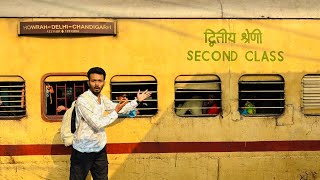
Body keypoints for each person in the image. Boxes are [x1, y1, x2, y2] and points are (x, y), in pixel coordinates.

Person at [70, 67, 151, 180]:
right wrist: (116, 112)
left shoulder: (102, 99)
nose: (97, 84)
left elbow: (120, 108)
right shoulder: (83, 100)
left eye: (100, 81)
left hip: (99, 149)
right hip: (82, 150)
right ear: (88, 82)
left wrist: (137, 101)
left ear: (104, 83)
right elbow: (97, 124)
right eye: (93, 81)